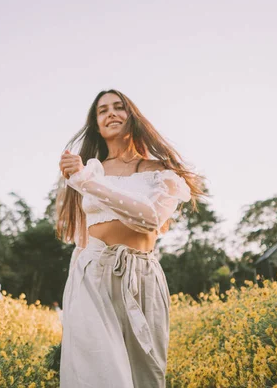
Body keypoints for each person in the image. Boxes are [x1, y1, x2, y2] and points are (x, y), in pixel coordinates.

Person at [55, 89, 205, 388]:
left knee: (146, 375)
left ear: (132, 116)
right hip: (93, 274)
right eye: (102, 110)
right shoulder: (90, 169)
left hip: (142, 275)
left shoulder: (160, 171)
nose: (111, 113)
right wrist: (79, 178)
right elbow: (79, 236)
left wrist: (86, 182)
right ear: (96, 124)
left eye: (118, 107)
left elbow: (149, 218)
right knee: (100, 373)